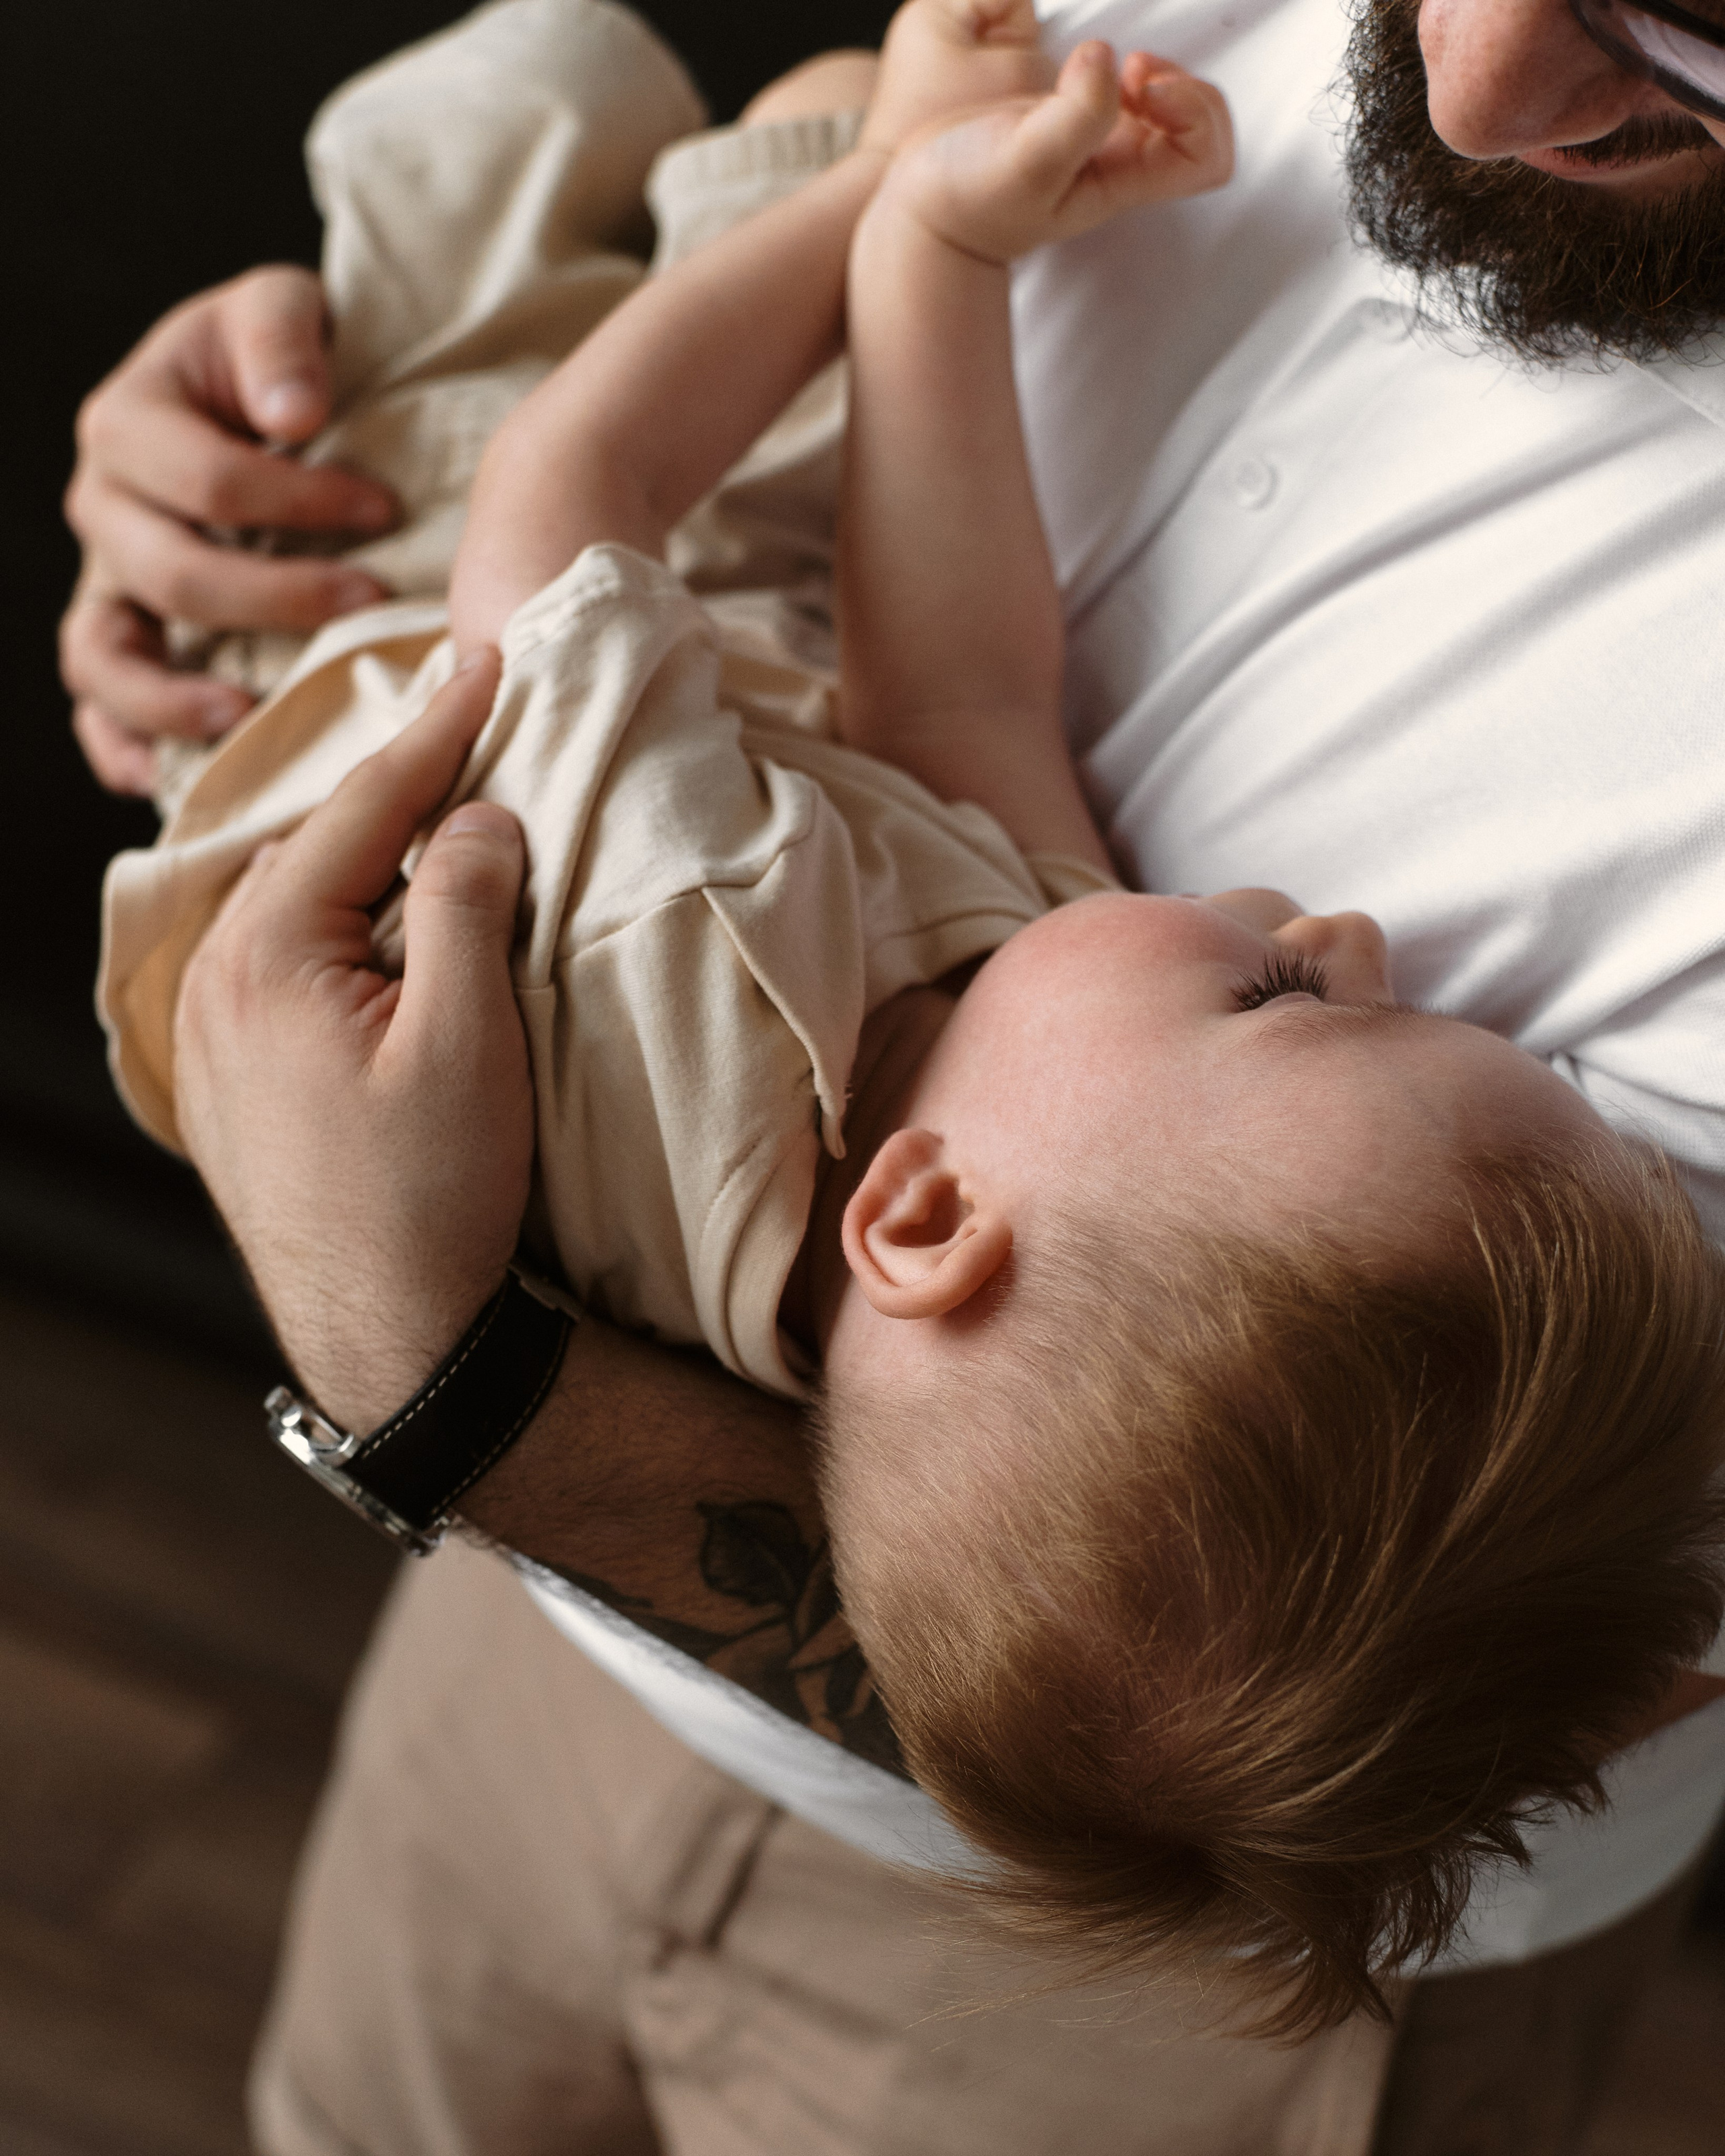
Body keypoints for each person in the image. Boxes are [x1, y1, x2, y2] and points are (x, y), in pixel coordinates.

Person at [61, 0, 1725, 2149]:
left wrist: (868, 198)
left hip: (1151, 1997)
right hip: (554, 1632)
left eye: (1298, 1002)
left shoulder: (696, 974)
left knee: (521, 94)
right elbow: (960, 684)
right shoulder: (1042, 1056)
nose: (1351, 936)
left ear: (923, 1220)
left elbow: (565, 508)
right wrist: (936, 248)